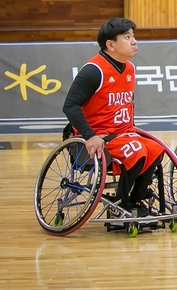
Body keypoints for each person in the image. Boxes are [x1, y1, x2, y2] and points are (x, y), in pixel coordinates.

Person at [62, 18, 165, 216]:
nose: (134, 41)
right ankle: (120, 203)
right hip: (97, 136)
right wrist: (90, 135)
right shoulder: (94, 70)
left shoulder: (130, 69)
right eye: (127, 37)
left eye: (133, 36)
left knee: (155, 148)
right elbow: (70, 106)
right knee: (136, 151)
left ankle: (134, 202)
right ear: (110, 44)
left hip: (122, 133)